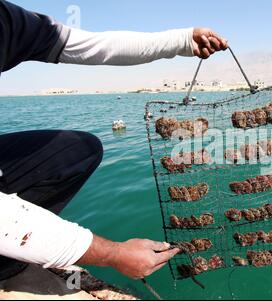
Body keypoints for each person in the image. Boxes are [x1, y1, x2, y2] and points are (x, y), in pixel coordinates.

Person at [0, 0, 228, 281]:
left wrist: (181, 40)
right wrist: (113, 254)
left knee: (82, 149)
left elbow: (93, 45)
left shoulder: (6, 20)